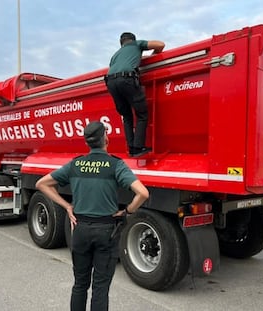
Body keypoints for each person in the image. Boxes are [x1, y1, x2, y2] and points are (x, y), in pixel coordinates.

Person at [35, 121, 149, 311]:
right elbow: (143, 193)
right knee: (100, 288)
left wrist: (67, 206)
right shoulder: (115, 165)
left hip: (80, 230)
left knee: (80, 284)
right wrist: (127, 211)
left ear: (87, 143)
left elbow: (41, 184)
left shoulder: (75, 164)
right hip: (106, 231)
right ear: (106, 138)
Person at [105, 32, 165, 157]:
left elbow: (112, 69)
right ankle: (138, 148)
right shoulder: (136, 44)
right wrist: (151, 55)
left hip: (110, 82)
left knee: (126, 116)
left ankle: (131, 148)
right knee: (142, 114)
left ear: (121, 43)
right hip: (126, 79)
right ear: (132, 40)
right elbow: (160, 44)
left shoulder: (115, 55)